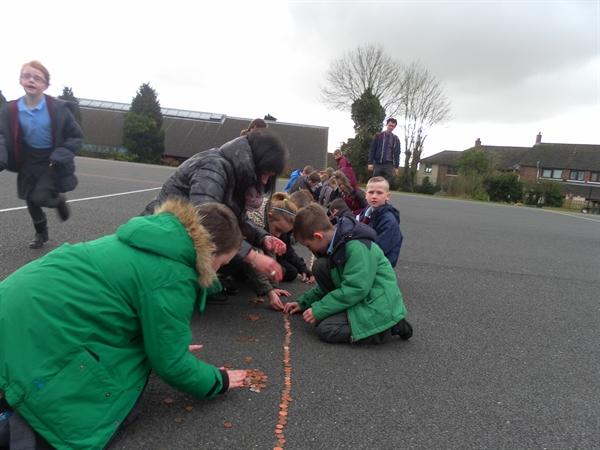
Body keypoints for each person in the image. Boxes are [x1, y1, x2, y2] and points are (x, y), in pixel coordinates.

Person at [0, 199, 248, 450]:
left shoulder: (154, 239)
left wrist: (165, 342)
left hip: (16, 303)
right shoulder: (173, 275)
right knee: (103, 403)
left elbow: (125, 308)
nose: (218, 272)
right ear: (211, 251)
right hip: (38, 328)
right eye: (222, 263)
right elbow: (171, 363)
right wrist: (218, 380)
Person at [142, 130, 288, 282]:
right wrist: (252, 256)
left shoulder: (235, 173)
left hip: (179, 231)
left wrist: (263, 237)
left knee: (241, 240)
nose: (265, 181)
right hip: (163, 233)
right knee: (229, 249)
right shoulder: (212, 167)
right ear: (256, 163)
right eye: (265, 173)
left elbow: (240, 219)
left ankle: (207, 282)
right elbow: (206, 219)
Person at [283, 204, 413, 344]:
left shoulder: (356, 247)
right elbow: (335, 281)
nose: (310, 250)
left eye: (308, 245)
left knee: (326, 329)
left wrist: (319, 309)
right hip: (363, 297)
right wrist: (303, 303)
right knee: (320, 266)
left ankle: (389, 327)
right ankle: (353, 316)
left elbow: (355, 288)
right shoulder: (337, 242)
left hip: (377, 305)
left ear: (318, 236)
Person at [0, 60, 83, 249]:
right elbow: (2, 135)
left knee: (40, 197)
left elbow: (75, 136)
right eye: (26, 76)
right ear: (20, 80)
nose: (31, 80)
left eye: (37, 78)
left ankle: (58, 200)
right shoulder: (11, 109)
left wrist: (61, 154)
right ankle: (41, 233)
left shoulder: (58, 109)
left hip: (51, 160)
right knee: (30, 200)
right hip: (27, 159)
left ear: (46, 85)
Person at [357, 176, 403, 267]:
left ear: (387, 196)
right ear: (365, 195)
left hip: (381, 264)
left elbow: (379, 249)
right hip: (366, 257)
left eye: (379, 193)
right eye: (371, 192)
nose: (374, 196)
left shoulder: (389, 221)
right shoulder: (365, 212)